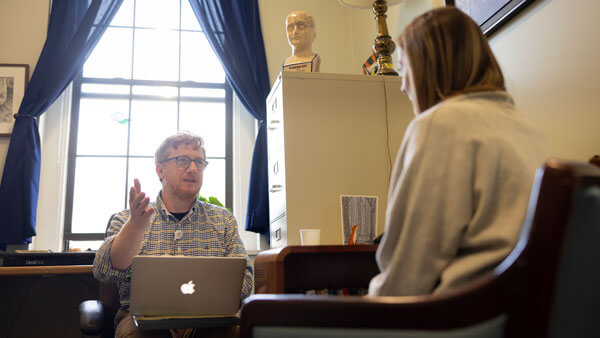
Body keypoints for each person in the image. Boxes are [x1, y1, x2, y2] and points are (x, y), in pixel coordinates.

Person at [368, 7, 550, 297]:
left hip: (463, 316)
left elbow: (408, 275)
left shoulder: (439, 125)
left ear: (429, 67)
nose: (402, 87)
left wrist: (369, 303)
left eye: (405, 69)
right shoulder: (531, 131)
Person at [93, 131, 253, 338]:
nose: (193, 168)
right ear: (160, 169)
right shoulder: (128, 219)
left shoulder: (223, 220)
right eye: (182, 161)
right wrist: (135, 226)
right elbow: (103, 270)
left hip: (209, 320)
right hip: (141, 322)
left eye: (199, 162)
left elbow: (246, 281)